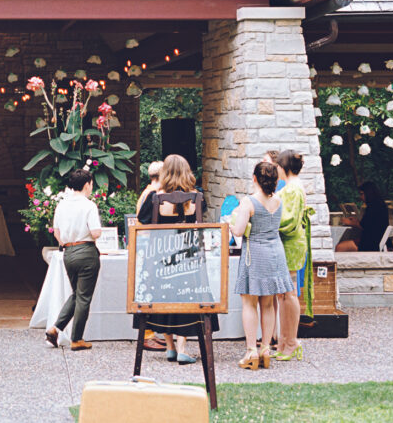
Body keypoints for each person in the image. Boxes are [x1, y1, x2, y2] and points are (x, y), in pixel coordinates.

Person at [132, 154, 215, 365]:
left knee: (165, 296)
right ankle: (181, 348)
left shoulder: (155, 197)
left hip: (163, 257)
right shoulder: (196, 196)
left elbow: (142, 221)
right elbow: (201, 215)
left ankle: (169, 346)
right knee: (186, 298)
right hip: (189, 257)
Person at [229, 161, 294, 371]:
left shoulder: (248, 202)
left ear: (255, 178)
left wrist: (231, 224)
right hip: (275, 253)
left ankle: (251, 351)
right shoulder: (278, 201)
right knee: (268, 304)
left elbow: (238, 231)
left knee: (249, 303)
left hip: (255, 253)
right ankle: (266, 349)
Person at [44, 168, 101, 351]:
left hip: (68, 252)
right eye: (91, 184)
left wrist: (67, 244)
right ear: (86, 184)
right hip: (86, 251)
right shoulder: (89, 205)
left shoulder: (62, 205)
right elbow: (96, 233)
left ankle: (55, 328)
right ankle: (77, 338)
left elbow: (57, 233)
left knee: (77, 294)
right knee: (83, 297)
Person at [277, 149, 312, 362]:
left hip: (290, 243)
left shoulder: (292, 189)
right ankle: (285, 340)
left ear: (284, 168)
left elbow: (288, 221)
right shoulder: (295, 187)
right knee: (285, 293)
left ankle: (292, 341)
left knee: (289, 293)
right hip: (293, 242)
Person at [135, 162, 167, 352]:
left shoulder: (148, 192)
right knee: (146, 286)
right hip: (147, 245)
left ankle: (152, 333)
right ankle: (147, 335)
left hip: (146, 244)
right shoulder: (152, 195)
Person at [337, 181, 389, 252]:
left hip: (373, 244)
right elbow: (369, 224)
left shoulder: (373, 207)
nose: (360, 197)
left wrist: (351, 223)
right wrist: (356, 222)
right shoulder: (380, 204)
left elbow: (365, 226)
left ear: (368, 193)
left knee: (340, 247)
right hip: (381, 240)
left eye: (362, 194)